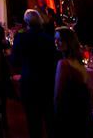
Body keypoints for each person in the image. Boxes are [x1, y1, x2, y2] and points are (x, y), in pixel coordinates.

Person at [10, 10, 58, 138]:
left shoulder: (21, 38)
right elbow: (55, 60)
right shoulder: (49, 38)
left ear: (26, 22)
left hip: (29, 82)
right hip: (48, 83)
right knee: (50, 121)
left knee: (33, 122)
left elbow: (14, 60)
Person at [53, 27, 93, 138]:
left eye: (60, 40)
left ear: (68, 42)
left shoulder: (64, 64)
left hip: (69, 116)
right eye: (55, 39)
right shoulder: (79, 63)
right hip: (83, 115)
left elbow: (58, 96)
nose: (56, 42)